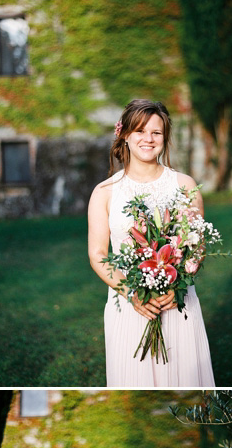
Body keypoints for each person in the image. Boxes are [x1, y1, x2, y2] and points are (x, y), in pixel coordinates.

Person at [87, 98, 216, 387]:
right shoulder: (104, 192)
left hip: (177, 302)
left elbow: (196, 246)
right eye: (140, 131)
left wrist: (179, 282)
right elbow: (97, 254)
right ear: (125, 135)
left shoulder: (184, 186)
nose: (148, 139)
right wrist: (132, 293)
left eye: (156, 132)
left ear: (165, 137)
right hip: (129, 304)